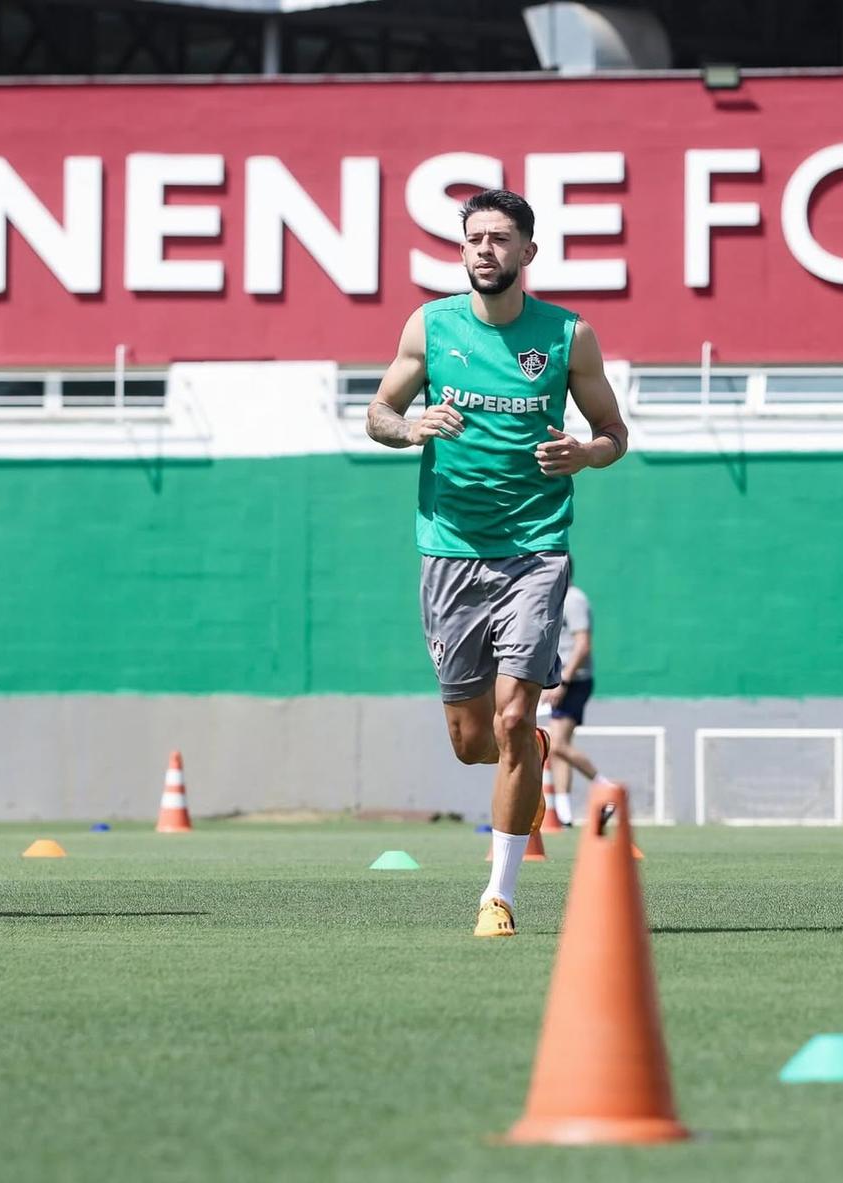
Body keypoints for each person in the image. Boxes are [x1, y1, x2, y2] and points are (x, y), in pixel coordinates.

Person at [365, 189, 627, 938]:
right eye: (474, 237)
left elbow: (613, 430)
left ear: (527, 253)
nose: (485, 249)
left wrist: (585, 451)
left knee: (517, 716)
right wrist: (411, 427)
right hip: (450, 551)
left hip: (537, 549)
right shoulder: (430, 325)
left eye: (500, 238)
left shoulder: (569, 336)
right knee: (473, 740)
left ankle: (500, 894)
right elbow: (378, 412)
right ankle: (524, 750)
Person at [542, 559, 605, 827]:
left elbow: (583, 645)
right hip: (561, 680)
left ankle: (606, 785)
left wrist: (563, 681)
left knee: (557, 745)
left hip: (574, 681)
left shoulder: (574, 599)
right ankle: (564, 814)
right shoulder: (555, 598)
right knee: (557, 750)